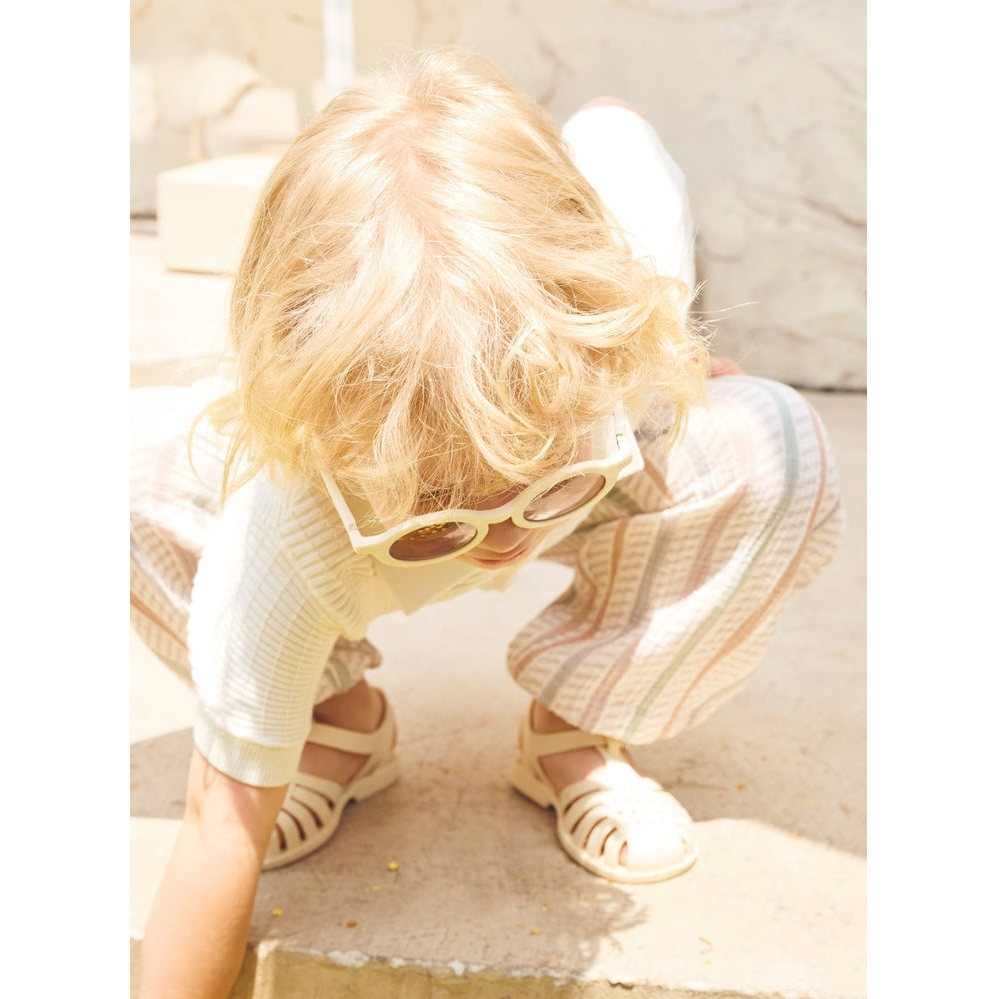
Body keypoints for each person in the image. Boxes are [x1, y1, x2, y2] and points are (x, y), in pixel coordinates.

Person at [131, 46, 844, 997]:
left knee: (770, 447)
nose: (501, 541)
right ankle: (329, 722)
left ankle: (576, 732)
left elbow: (614, 128)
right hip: (323, 521)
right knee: (124, 481)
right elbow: (219, 823)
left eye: (543, 484)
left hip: (584, 399)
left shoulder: (603, 318)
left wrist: (673, 363)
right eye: (438, 518)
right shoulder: (289, 521)